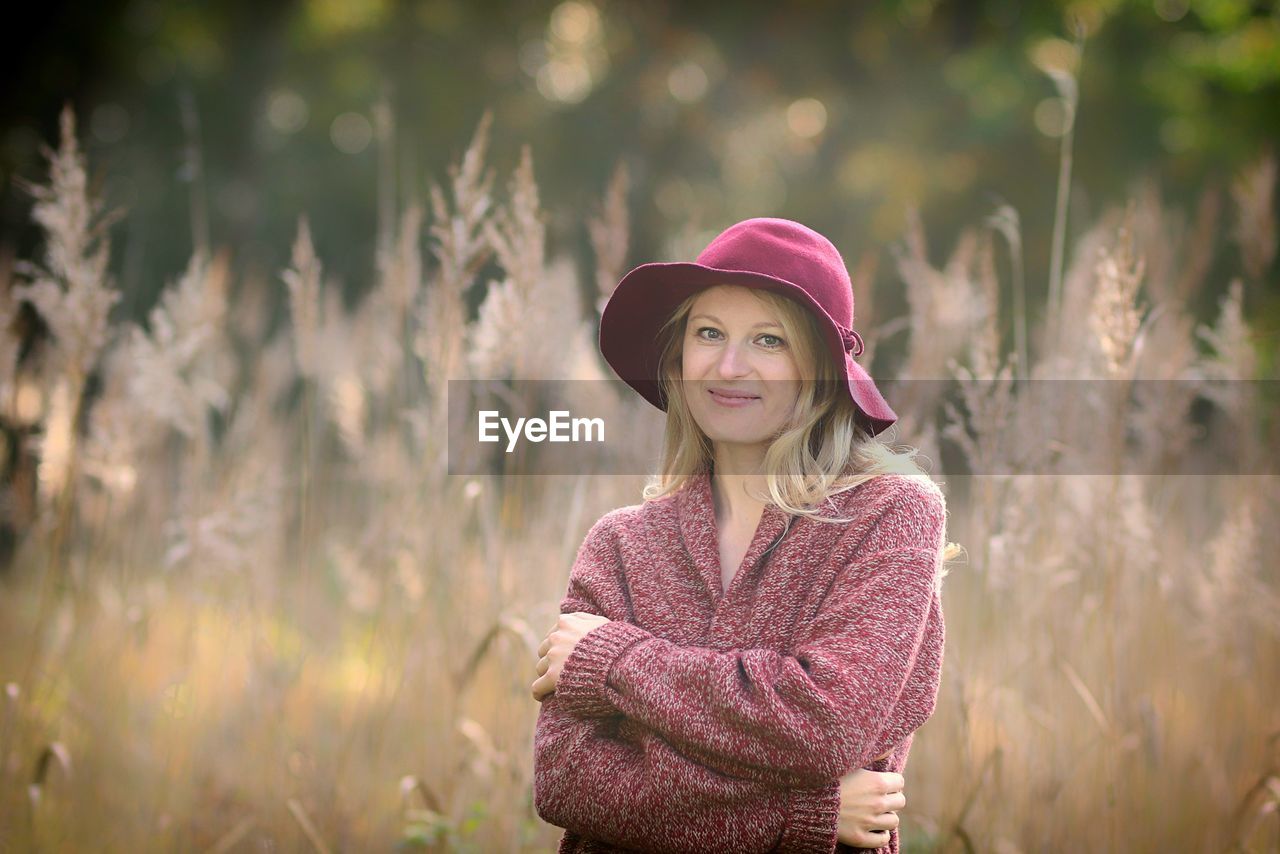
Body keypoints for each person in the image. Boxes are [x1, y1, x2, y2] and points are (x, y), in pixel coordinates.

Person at [531, 217, 957, 853]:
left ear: (821, 366)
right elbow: (568, 783)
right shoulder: (620, 543)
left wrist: (613, 660)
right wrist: (804, 814)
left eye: (768, 340)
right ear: (678, 356)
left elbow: (825, 724)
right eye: (709, 333)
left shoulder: (889, 515)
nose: (729, 366)